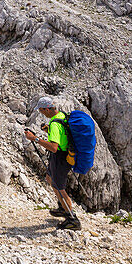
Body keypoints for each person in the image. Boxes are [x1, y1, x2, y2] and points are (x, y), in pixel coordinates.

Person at [26, 96, 81, 230]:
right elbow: (63, 134)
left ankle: (72, 220)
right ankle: (63, 207)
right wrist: (48, 130)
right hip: (63, 155)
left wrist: (35, 138)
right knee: (50, 178)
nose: (41, 113)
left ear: (46, 109)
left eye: (41, 110)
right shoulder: (61, 116)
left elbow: (53, 147)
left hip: (60, 158)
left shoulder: (55, 124)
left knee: (59, 188)